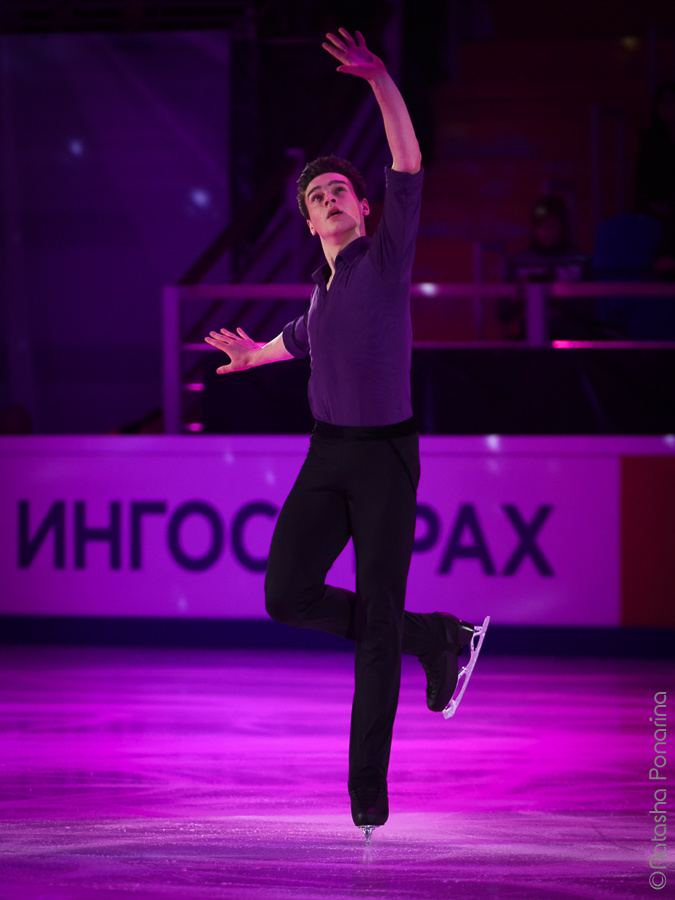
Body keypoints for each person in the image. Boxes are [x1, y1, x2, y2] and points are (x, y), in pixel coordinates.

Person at [205, 28, 488, 835]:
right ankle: (437, 635)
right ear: (308, 222)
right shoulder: (323, 295)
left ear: (362, 209)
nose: (328, 198)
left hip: (385, 460)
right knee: (285, 595)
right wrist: (253, 353)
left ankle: (368, 801)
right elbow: (296, 337)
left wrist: (379, 81)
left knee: (370, 639)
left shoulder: (385, 254)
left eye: (339, 190)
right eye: (316, 196)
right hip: (326, 456)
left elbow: (406, 163)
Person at [498, 194, 592, 340]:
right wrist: (521, 296)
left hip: (572, 341)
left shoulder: (579, 260)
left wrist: (559, 299)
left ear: (563, 227)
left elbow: (591, 312)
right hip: (530, 339)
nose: (546, 233)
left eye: (552, 226)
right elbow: (502, 315)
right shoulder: (519, 262)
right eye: (541, 226)